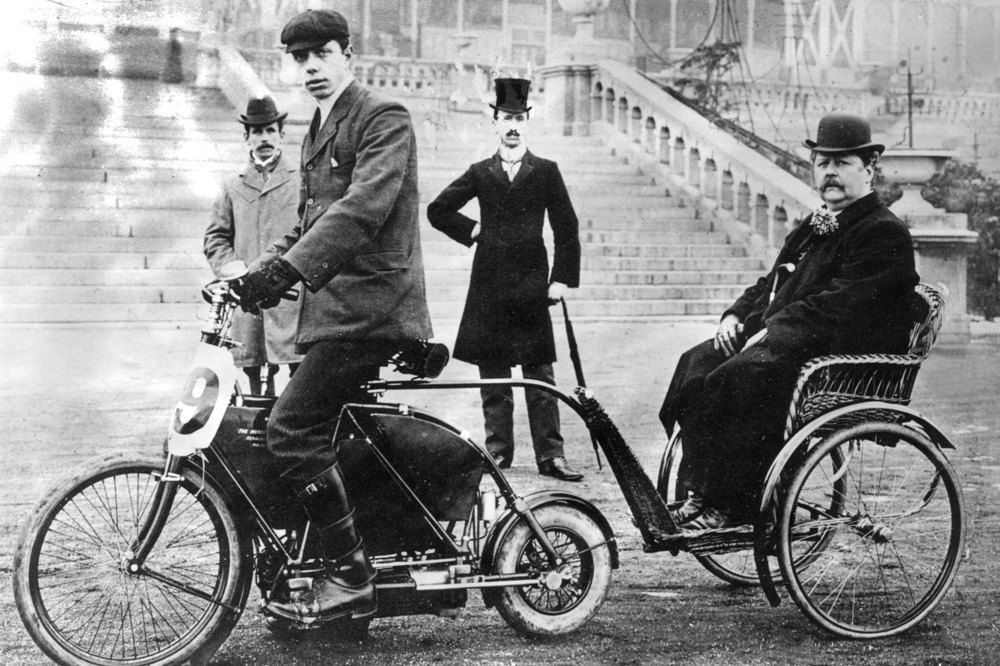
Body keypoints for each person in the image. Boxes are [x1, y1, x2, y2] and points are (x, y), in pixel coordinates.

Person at [237, 9, 432, 623]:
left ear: (349, 53)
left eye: (321, 53)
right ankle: (324, 569)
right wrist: (255, 273)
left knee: (292, 429)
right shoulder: (316, 129)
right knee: (299, 432)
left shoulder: (382, 116)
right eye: (300, 59)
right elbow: (306, 224)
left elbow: (360, 210)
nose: (311, 67)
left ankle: (351, 580)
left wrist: (287, 272)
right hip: (334, 315)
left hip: (373, 310)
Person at [658, 112, 919, 530]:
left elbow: (843, 303)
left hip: (838, 351)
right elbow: (772, 282)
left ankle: (736, 504)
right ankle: (702, 492)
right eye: (822, 163)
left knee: (739, 376)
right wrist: (736, 316)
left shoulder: (882, 231)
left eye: (842, 163)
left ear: (868, 169)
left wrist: (771, 330)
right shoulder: (814, 225)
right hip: (792, 338)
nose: (829, 173)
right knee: (696, 364)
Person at [427, 78, 583, 482]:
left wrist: (561, 279)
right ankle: (497, 452)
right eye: (506, 118)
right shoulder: (480, 173)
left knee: (540, 373)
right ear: (494, 121)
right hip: (490, 282)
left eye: (519, 118)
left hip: (533, 281)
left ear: (527, 121)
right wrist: (473, 231)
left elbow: (567, 227)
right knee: (493, 374)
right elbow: (437, 209)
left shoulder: (546, 171)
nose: (513, 125)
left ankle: (552, 456)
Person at [204, 95, 302, 395]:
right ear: (246, 138)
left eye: (270, 131)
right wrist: (235, 270)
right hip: (248, 291)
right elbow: (215, 238)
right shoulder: (232, 185)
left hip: (292, 291)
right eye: (257, 132)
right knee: (254, 368)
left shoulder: (301, 180)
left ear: (282, 135)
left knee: (301, 368)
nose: (264, 138)